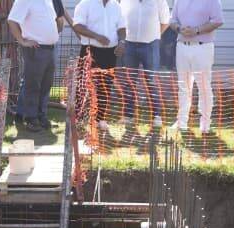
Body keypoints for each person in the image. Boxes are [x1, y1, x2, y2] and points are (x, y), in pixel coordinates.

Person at [170, 0, 224, 134]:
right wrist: (179, 28)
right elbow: (172, 21)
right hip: (182, 46)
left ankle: (205, 123)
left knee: (204, 87)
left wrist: (196, 30)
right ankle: (181, 121)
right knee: (183, 86)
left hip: (203, 47)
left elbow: (218, 20)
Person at [73, 0, 127, 131]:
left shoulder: (116, 6)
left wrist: (122, 42)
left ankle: (100, 119)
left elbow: (121, 28)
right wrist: (97, 36)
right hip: (90, 50)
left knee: (106, 85)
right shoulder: (85, 4)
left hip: (110, 52)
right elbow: (77, 26)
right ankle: (79, 117)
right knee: (83, 84)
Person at [9, 0, 62, 132]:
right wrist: (22, 41)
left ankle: (41, 116)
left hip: (50, 49)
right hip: (35, 49)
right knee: (33, 85)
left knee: (45, 85)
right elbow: (12, 20)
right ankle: (31, 119)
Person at [119, 0, 171, 128]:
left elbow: (165, 21)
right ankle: (128, 116)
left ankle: (156, 116)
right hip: (129, 44)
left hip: (150, 45)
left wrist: (155, 36)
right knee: (129, 82)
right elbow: (120, 21)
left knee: (152, 81)